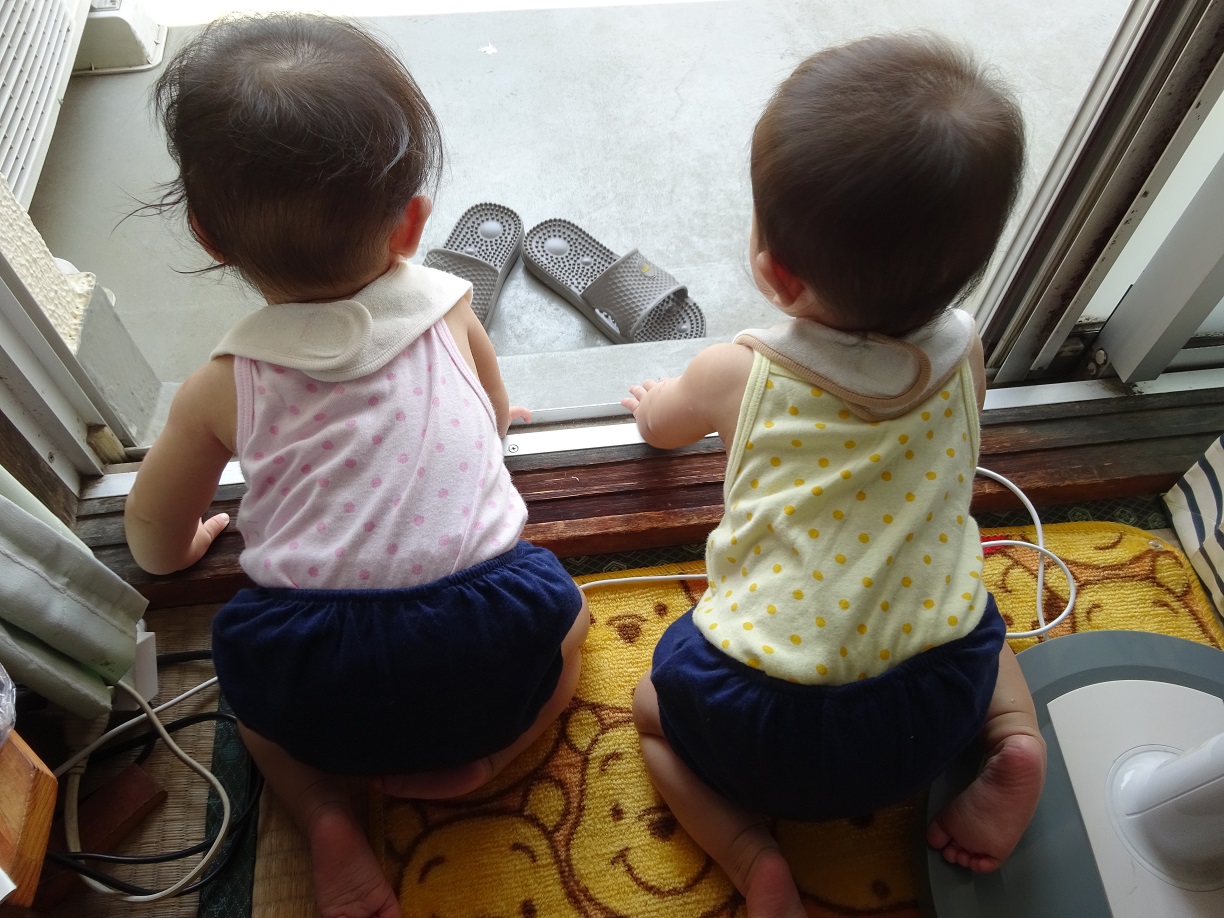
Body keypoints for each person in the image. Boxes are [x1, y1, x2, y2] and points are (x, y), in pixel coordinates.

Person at [123, 14, 588, 918]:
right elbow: (493, 418)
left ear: (207, 236)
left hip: (319, 669)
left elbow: (151, 535)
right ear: (413, 222)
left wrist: (184, 549)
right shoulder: (451, 309)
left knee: (254, 701)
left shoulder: (223, 384)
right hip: (485, 639)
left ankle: (323, 815)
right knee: (567, 623)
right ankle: (495, 757)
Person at [622, 34, 1046, 918]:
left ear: (776, 272)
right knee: (967, 597)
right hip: (932, 710)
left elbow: (663, 430)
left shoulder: (741, 372)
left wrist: (654, 402)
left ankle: (754, 859)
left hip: (762, 717)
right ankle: (1013, 734)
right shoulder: (966, 349)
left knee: (649, 706)